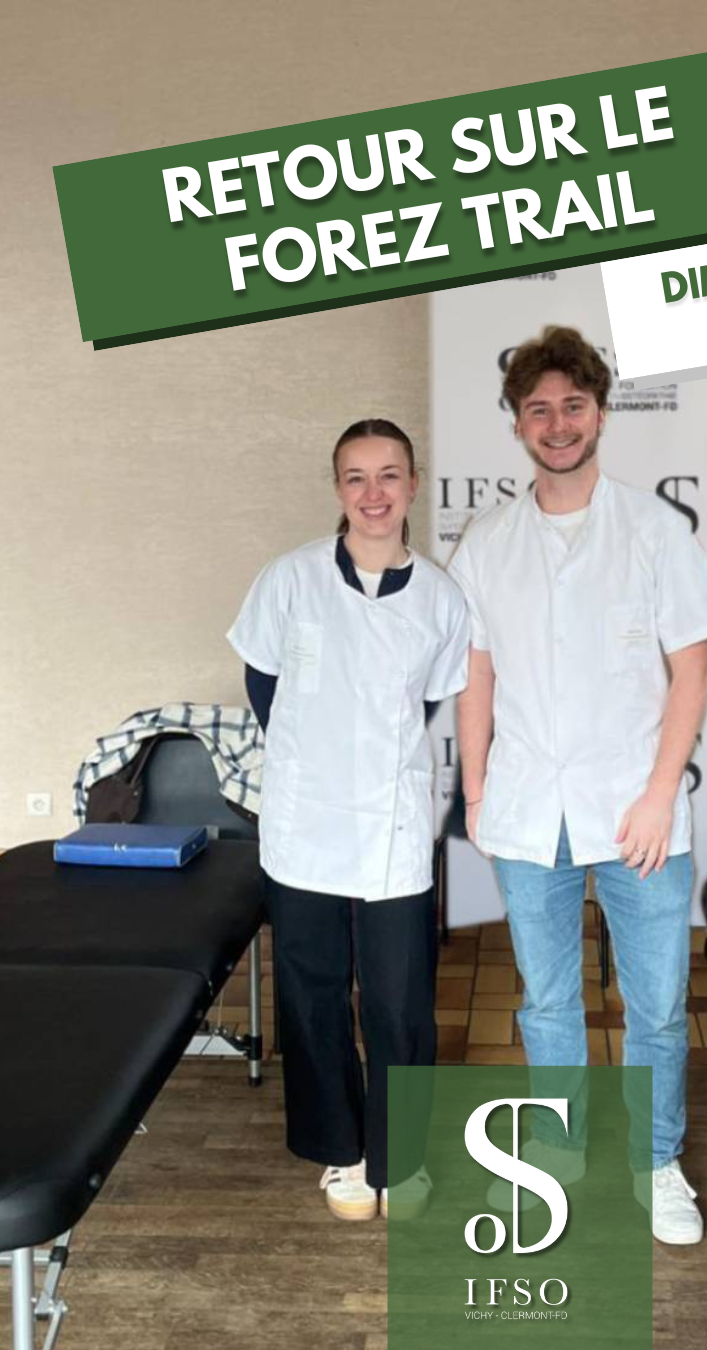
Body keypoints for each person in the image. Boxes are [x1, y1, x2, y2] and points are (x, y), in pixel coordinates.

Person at [449, 328, 707, 1245]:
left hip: (637, 811)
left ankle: (656, 1161)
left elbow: (692, 670)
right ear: (517, 425)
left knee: (656, 1007)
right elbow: (477, 674)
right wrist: (477, 791)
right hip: (530, 807)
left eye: (574, 406)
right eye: (539, 410)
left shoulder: (653, 530)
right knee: (545, 1002)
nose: (558, 424)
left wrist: (658, 794)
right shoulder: (487, 541)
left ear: (601, 414)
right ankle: (557, 1153)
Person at [228, 418, 469, 1221]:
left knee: (399, 997)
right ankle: (342, 1150)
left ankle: (402, 1157)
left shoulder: (440, 598)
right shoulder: (290, 579)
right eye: (357, 477)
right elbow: (263, 682)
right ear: (338, 488)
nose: (374, 493)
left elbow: (430, 702)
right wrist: (314, 759)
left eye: (389, 475)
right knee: (313, 989)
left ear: (412, 485)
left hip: (392, 823)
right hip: (305, 822)